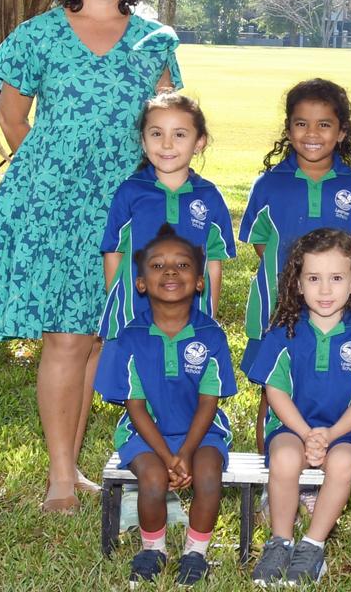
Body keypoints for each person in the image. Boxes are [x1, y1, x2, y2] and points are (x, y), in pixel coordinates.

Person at [0, 0, 182, 513]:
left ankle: (74, 465)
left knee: (99, 337)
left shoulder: (155, 41)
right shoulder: (38, 34)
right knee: (64, 339)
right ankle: (59, 477)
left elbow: (167, 124)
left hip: (127, 205)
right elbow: (11, 116)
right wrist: (53, 179)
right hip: (52, 208)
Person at [93, 226, 236, 586]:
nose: (170, 272)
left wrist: (186, 452)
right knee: (153, 479)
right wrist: (168, 457)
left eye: (182, 265)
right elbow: (135, 407)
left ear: (200, 282)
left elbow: (209, 402)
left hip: (201, 431)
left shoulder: (211, 335)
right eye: (157, 266)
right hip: (145, 433)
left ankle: (195, 553)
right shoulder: (130, 337)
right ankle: (153, 549)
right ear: (141, 283)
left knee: (207, 474)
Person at [239, 78, 351, 451]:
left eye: (324, 124)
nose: (312, 133)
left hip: (334, 311)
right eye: (301, 123)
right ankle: (273, 474)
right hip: (273, 309)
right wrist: (292, 289)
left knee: (332, 383)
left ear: (342, 131)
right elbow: (260, 245)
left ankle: (322, 458)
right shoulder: (268, 185)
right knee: (275, 389)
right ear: (288, 129)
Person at [247, 229, 351, 586]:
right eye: (314, 278)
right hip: (292, 427)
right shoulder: (283, 333)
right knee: (286, 458)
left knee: (342, 462)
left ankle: (312, 546)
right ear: (298, 284)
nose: (325, 290)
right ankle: (280, 542)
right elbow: (275, 392)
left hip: (344, 431)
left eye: (336, 278)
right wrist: (306, 433)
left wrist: (331, 434)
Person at [100, 91, 234, 340]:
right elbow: (113, 253)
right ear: (143, 140)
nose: (167, 144)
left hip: (190, 316)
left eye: (179, 134)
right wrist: (117, 307)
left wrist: (209, 317)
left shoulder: (209, 196)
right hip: (134, 317)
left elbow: (214, 262)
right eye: (156, 133)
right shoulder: (130, 191)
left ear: (199, 142)